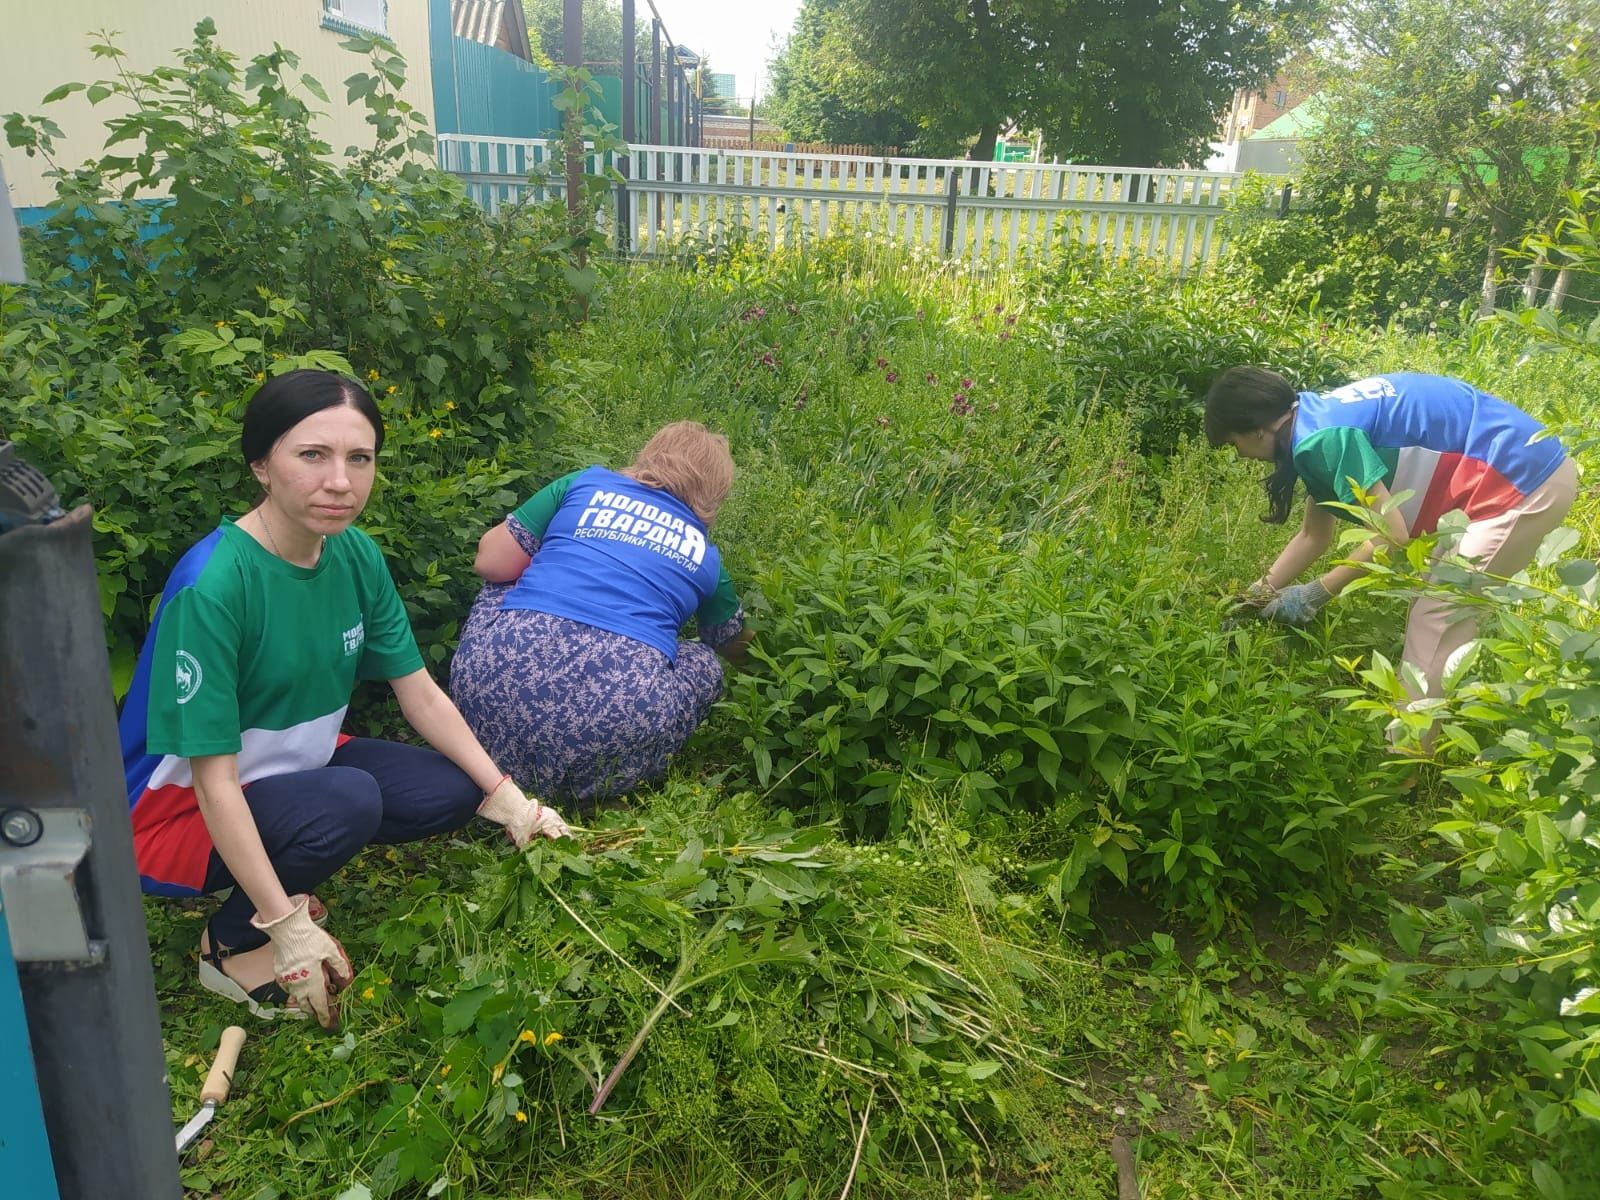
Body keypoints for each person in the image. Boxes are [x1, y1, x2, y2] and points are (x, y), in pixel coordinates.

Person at [120, 370, 571, 1030]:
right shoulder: (215, 585)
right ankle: (230, 944)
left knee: (453, 789)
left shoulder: (354, 554)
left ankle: (282, 873)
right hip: (174, 811)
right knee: (349, 801)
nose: (341, 481)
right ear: (261, 466)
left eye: (360, 459)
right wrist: (288, 927)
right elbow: (213, 781)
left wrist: (507, 798)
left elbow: (418, 691)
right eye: (312, 455)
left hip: (291, 765)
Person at [1206, 366, 1577, 703]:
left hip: (1521, 479)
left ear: (1256, 429)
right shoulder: (1313, 420)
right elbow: (1312, 537)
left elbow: (1391, 535)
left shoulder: (1322, 439)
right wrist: (1253, 598)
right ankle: (1424, 747)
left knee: (1436, 617)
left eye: (1233, 443)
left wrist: (1314, 594)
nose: (1240, 455)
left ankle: (1407, 766)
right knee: (1436, 608)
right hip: (1509, 473)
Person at [450, 421, 753, 806]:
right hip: (614, 719)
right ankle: (603, 787)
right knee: (704, 664)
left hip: (495, 683)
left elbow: (490, 561)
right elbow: (737, 647)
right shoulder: (706, 557)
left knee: (505, 580)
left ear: (649, 457)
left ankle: (477, 749)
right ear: (714, 495)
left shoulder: (585, 484)